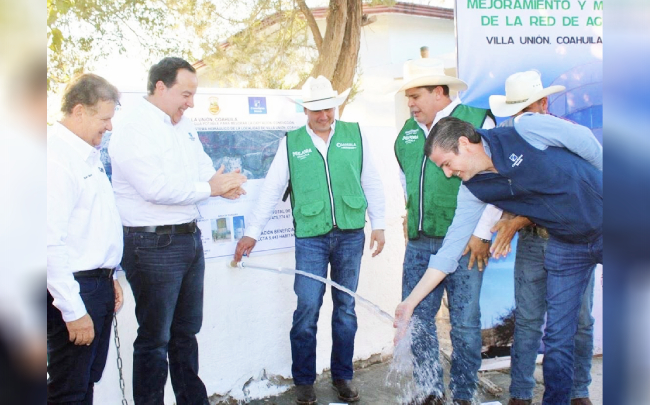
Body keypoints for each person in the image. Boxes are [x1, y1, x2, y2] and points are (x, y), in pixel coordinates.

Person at [395, 112, 602, 405]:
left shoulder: (525, 129)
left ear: (464, 144)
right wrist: (408, 304)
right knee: (557, 337)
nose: (447, 173)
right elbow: (449, 253)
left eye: (447, 164)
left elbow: (587, 143)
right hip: (567, 244)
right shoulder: (473, 189)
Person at [234, 75, 385, 405]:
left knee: (345, 309)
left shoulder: (355, 135)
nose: (324, 115)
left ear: (335, 107)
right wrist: (251, 232)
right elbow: (272, 189)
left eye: (328, 108)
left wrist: (380, 223)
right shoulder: (291, 143)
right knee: (307, 309)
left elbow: (371, 180)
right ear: (305, 110)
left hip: (350, 235)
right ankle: (304, 381)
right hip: (310, 239)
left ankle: (342, 376)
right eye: (316, 110)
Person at [108, 57, 247, 405]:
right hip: (151, 244)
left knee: (186, 333)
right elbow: (155, 188)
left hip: (188, 238)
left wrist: (223, 184)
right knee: (155, 339)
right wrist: (211, 188)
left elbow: (202, 168)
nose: (191, 103)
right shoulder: (134, 126)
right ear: (161, 87)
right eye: (186, 94)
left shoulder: (183, 124)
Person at [394, 58, 500, 405]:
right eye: (408, 98)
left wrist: (482, 233)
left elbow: (494, 178)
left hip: (465, 242)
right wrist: (410, 213)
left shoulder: (478, 120)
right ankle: (430, 392)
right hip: (419, 243)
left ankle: (464, 394)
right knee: (419, 320)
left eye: (415, 96)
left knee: (465, 324)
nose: (410, 104)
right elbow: (404, 178)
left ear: (439, 92)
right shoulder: (407, 133)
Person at [488, 71, 596, 405]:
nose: (521, 119)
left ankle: (578, 392)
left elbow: (574, 190)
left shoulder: (570, 137)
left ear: (543, 104)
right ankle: (521, 394)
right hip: (534, 241)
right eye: (516, 112)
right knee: (529, 320)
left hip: (572, 239)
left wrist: (518, 218)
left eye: (526, 110)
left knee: (580, 322)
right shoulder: (507, 141)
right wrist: (506, 217)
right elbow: (507, 190)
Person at [47, 73, 124, 403]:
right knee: (69, 390)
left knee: (85, 382)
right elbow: (47, 243)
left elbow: (91, 226)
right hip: (74, 290)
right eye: (104, 118)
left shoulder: (85, 156)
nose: (109, 126)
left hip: (96, 284)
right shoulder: (55, 159)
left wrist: (110, 276)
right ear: (79, 111)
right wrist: (73, 310)